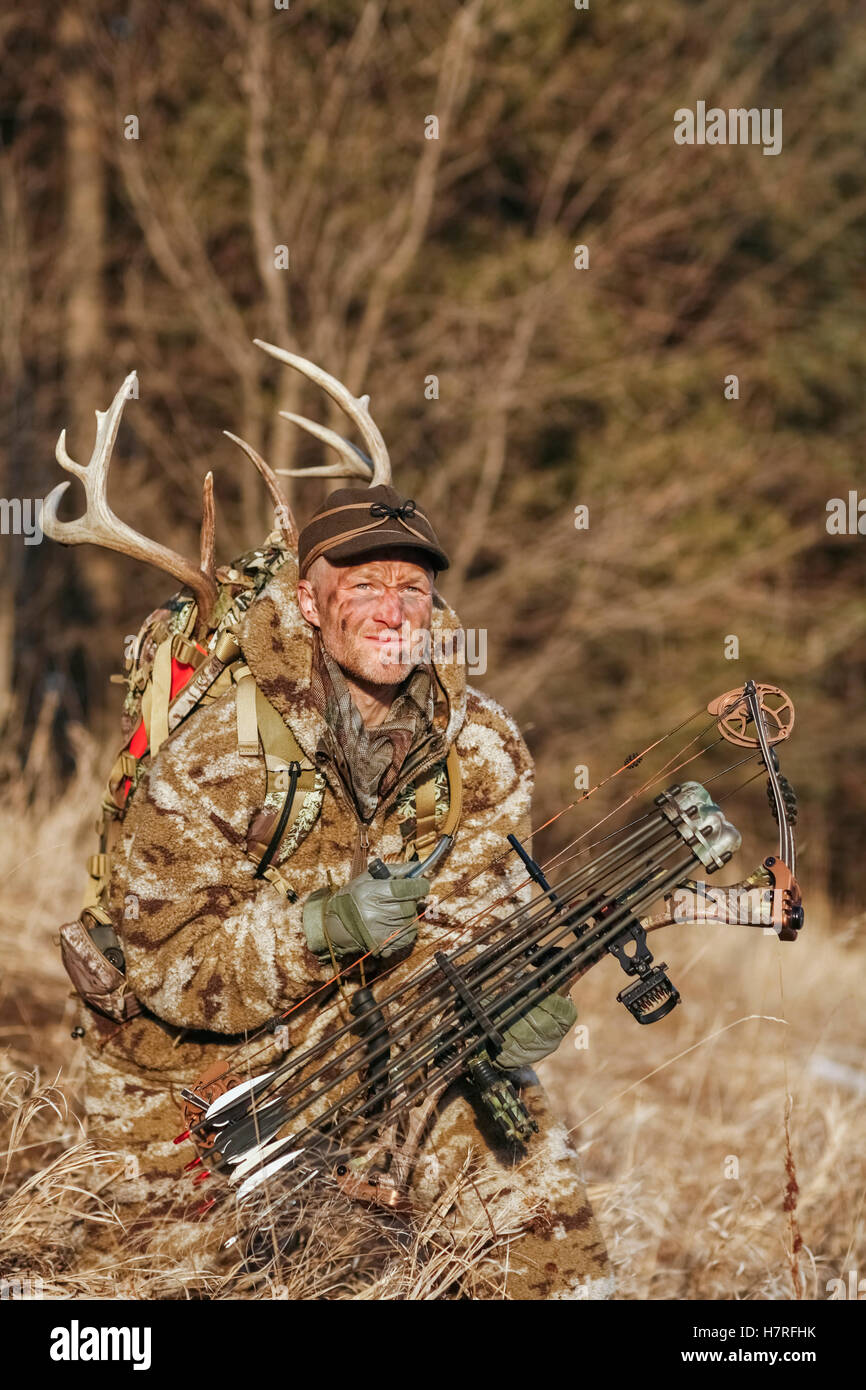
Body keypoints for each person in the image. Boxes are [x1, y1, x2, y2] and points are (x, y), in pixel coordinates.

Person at [78, 482, 614, 1299]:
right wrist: (322, 929)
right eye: (363, 584)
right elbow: (170, 968)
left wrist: (508, 1003)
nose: (392, 609)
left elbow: (479, 919)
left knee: (555, 1265)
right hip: (193, 1065)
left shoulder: (482, 749)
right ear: (309, 599)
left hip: (390, 1048)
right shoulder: (220, 741)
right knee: (172, 1287)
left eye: (411, 586)